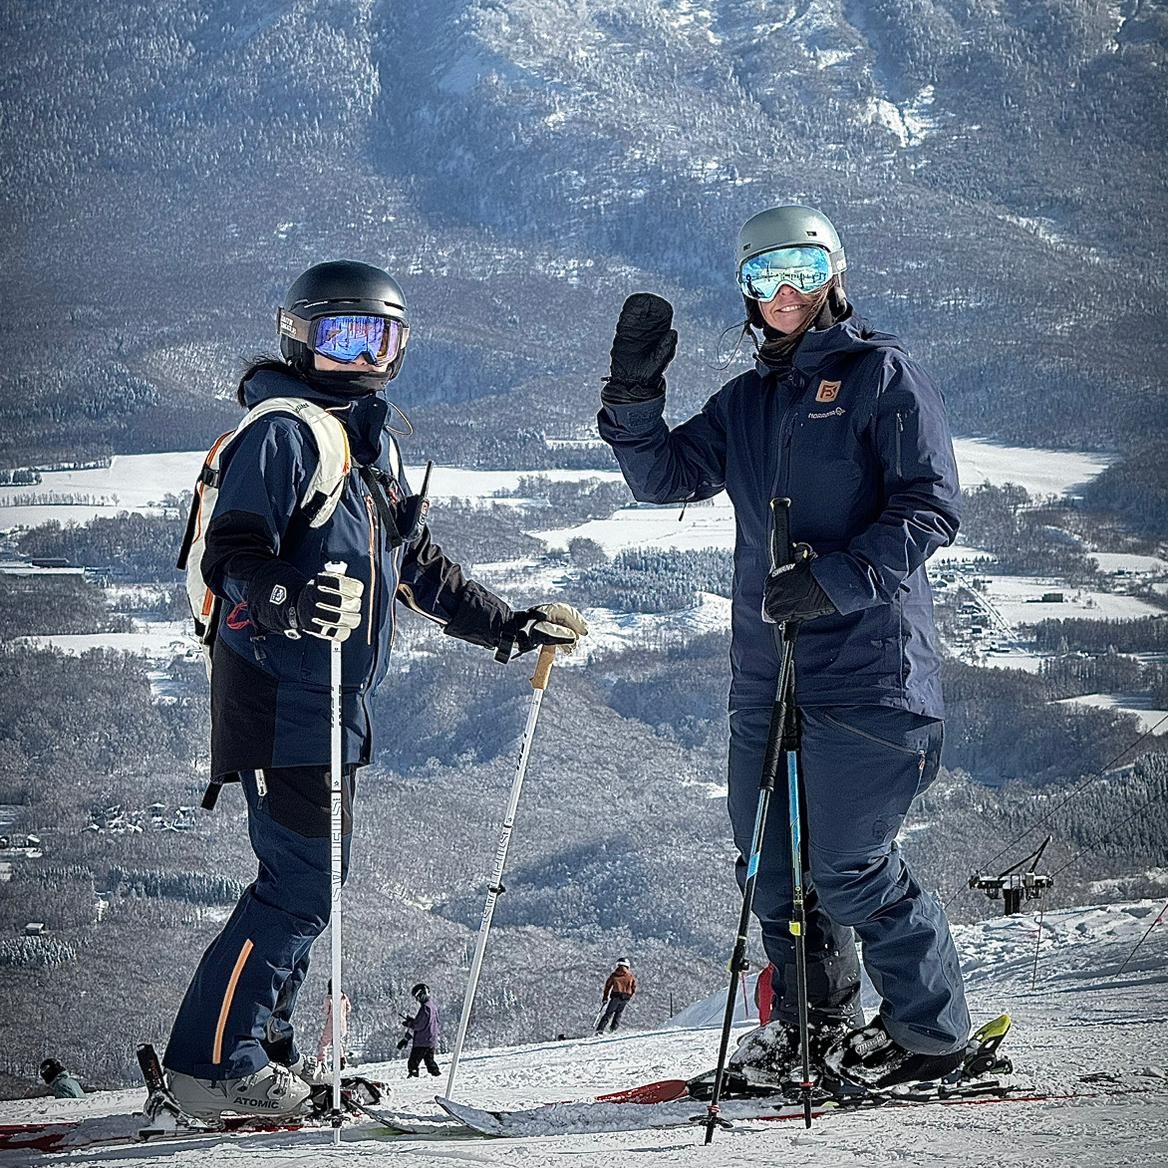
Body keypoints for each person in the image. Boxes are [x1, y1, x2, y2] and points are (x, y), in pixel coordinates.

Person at [162, 260, 588, 1119]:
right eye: (340, 336)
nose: (360, 355)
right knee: (300, 884)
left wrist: (507, 625)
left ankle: (262, 1052)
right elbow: (232, 556)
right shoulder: (283, 435)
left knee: (312, 883)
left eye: (378, 337)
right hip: (277, 691)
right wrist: (288, 595)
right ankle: (217, 1065)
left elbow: (415, 569)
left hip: (331, 701)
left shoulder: (369, 448)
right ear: (299, 337)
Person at [597, 205, 969, 1092]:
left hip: (871, 674)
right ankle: (812, 1029)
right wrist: (633, 397)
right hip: (769, 680)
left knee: (846, 866)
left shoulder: (883, 376)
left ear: (835, 272)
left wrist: (836, 581)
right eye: (767, 277)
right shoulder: (749, 402)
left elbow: (930, 506)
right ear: (747, 294)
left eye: (803, 268)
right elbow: (663, 478)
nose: (787, 291)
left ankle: (931, 1034)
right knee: (770, 869)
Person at [398, 982, 440, 1077]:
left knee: (413, 1062)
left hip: (422, 1041)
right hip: (430, 1040)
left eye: (417, 996)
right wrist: (412, 1021)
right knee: (429, 1062)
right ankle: (436, 1075)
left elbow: (419, 1025)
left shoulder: (425, 1008)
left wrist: (410, 1023)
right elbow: (428, 1023)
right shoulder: (432, 1007)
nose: (417, 999)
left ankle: (413, 1077)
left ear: (422, 994)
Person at [316, 978, 351, 1069]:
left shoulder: (329, 998)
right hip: (342, 1024)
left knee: (324, 1043)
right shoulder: (343, 997)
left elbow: (326, 1012)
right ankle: (341, 1058)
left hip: (332, 1024)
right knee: (337, 1041)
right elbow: (348, 1008)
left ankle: (322, 1062)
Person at [596, 958, 637, 1033]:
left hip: (615, 996)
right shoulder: (630, 976)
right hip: (625, 997)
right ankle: (613, 1029)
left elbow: (607, 986)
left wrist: (605, 997)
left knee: (608, 1013)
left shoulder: (614, 975)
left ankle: (600, 1030)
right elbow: (634, 987)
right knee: (618, 1013)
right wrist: (629, 996)